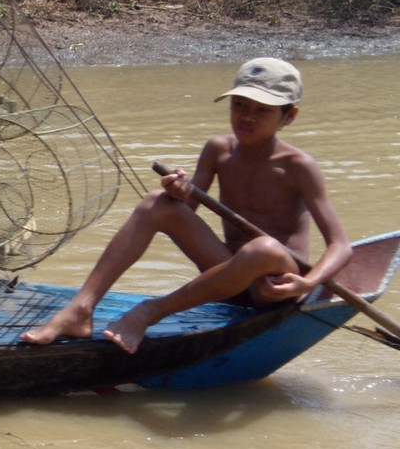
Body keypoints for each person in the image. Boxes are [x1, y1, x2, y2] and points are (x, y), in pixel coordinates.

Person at [20, 57, 351, 353]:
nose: (248, 117)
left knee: (262, 248)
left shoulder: (298, 165)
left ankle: (149, 311)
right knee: (157, 202)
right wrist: (179, 192)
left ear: (289, 116)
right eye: (240, 105)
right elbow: (184, 214)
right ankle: (81, 309)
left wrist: (308, 283)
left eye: (263, 110)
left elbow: (341, 245)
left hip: (274, 286)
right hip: (223, 275)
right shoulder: (218, 149)